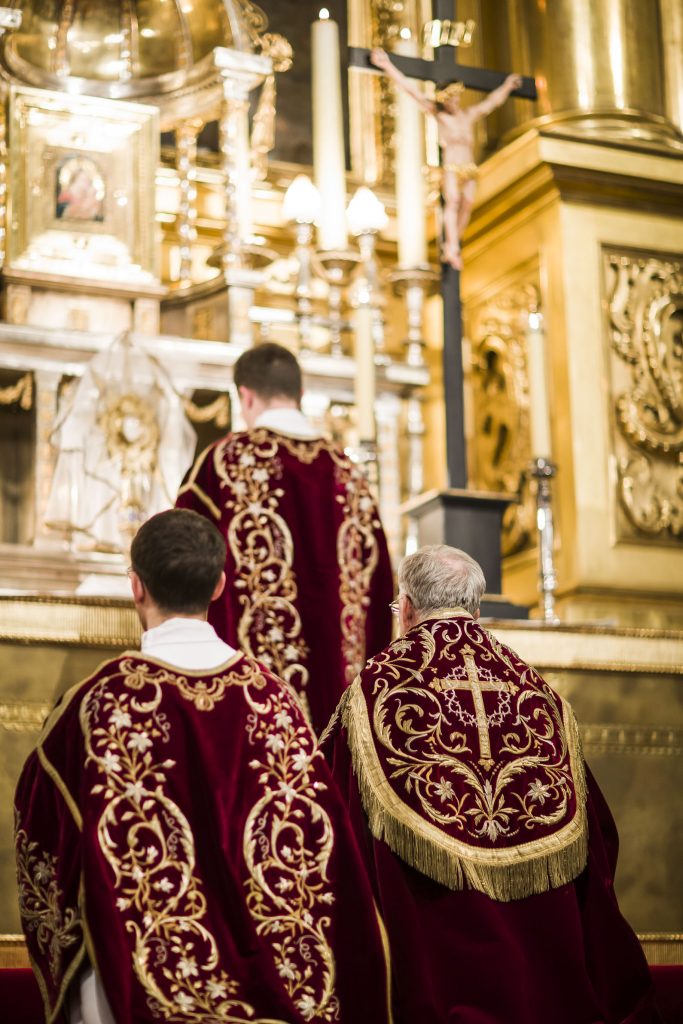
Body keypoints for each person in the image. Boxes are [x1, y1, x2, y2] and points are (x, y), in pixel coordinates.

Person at [14, 509, 392, 1024]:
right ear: (219, 585)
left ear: (135, 586)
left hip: (137, 993)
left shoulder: (95, 705)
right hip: (280, 997)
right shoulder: (276, 703)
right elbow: (327, 855)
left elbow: (42, 842)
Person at [322, 544, 661, 1024]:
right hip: (548, 994)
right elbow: (597, 842)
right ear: (476, 610)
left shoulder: (376, 690)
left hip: (434, 986)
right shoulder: (540, 693)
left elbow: (332, 828)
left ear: (409, 609)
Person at [176, 342, 393, 735]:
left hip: (254, 714)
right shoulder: (350, 475)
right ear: (301, 395)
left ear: (244, 395)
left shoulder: (222, 463)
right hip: (346, 714)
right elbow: (381, 592)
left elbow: (179, 569)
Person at [370, 47, 522, 270]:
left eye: (457, 97)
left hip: (468, 167)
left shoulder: (468, 116)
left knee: (467, 204)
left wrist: (507, 86)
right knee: (452, 203)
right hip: (451, 167)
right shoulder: (439, 114)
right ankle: (451, 245)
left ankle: (454, 243)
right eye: (450, 98)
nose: (455, 102)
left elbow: (492, 102)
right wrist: (387, 66)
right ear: (444, 99)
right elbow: (410, 89)